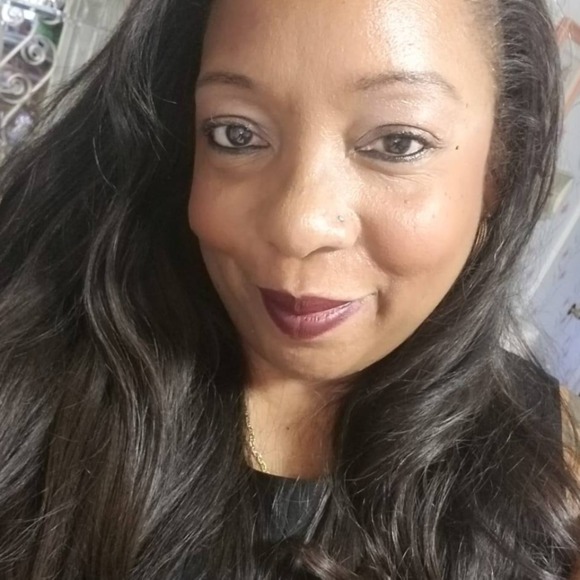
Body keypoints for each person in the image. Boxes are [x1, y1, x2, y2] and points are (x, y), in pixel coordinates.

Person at [0, 0, 578, 577]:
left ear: (498, 168)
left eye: (398, 142)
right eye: (236, 133)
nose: (297, 226)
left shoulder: (552, 459)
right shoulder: (29, 383)